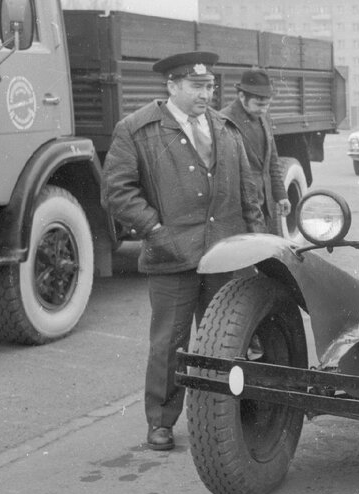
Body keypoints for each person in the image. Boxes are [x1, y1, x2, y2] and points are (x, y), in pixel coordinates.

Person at [103, 51, 266, 452]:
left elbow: (250, 193)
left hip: (224, 256)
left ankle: (223, 416)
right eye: (196, 86)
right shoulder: (136, 130)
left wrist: (257, 246)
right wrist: (154, 230)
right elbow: (116, 191)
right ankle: (160, 422)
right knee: (170, 343)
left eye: (210, 86)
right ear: (172, 86)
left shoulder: (226, 128)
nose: (205, 94)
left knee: (226, 341)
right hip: (171, 256)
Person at [221, 67, 290, 235]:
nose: (263, 110)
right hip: (240, 210)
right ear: (242, 96)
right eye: (259, 105)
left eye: (266, 105)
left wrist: (281, 195)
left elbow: (272, 159)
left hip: (265, 205)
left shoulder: (263, 116)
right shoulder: (224, 121)